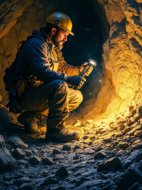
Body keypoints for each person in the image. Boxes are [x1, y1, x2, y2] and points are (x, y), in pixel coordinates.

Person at [15, 12, 93, 141]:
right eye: (64, 34)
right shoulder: (36, 45)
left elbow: (63, 67)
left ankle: (31, 117)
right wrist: (69, 79)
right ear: (53, 30)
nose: (66, 39)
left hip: (41, 93)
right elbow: (42, 72)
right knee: (60, 86)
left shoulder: (52, 48)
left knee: (76, 96)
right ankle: (55, 130)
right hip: (27, 95)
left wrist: (78, 70)